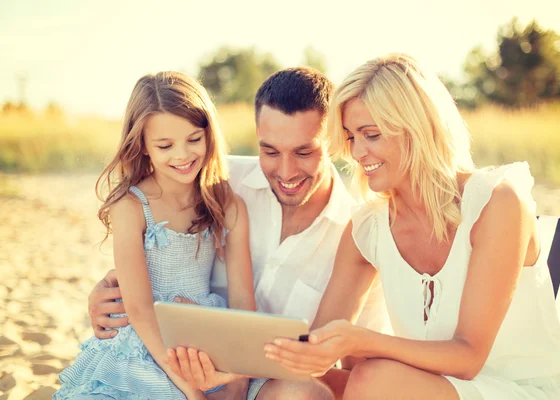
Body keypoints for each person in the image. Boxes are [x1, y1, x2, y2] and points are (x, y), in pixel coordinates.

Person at [264, 53, 560, 399]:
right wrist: (235, 363)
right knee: (298, 389)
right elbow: (318, 352)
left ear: (417, 128)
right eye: (351, 137)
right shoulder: (368, 228)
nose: (356, 153)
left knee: (372, 379)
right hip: (430, 389)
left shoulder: (495, 203)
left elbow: (468, 358)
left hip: (522, 391)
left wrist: (363, 342)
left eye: (371, 135)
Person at [86, 67, 391, 400]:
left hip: (261, 379)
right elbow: (151, 256)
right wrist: (106, 294)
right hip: (171, 353)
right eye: (270, 151)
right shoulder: (211, 180)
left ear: (333, 141)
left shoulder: (358, 233)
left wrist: (235, 378)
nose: (286, 172)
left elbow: (349, 368)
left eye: (304, 152)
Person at [54, 71, 256, 400]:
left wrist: (238, 381)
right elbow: (140, 308)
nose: (183, 155)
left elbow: (243, 300)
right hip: (144, 341)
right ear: (144, 147)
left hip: (201, 336)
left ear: (209, 134)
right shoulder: (132, 206)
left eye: (194, 139)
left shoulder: (227, 203)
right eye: (165, 145)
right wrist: (191, 392)